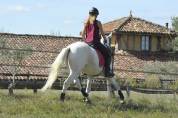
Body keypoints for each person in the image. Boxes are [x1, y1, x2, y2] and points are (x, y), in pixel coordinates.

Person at [81, 7, 114, 77]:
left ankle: (83, 70)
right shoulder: (98, 23)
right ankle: (107, 71)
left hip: (87, 43)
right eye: (96, 15)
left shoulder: (85, 23)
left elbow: (83, 35)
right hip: (95, 43)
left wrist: (85, 42)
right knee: (108, 53)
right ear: (96, 15)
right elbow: (102, 34)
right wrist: (105, 39)